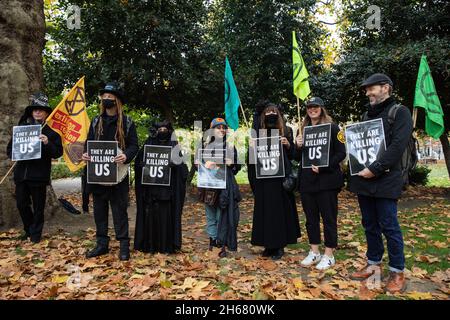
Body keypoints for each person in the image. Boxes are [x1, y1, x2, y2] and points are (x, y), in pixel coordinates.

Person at [348, 73, 413, 293]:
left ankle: (397, 271)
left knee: (389, 225)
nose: (367, 93)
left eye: (371, 88)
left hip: (387, 179)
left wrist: (374, 168)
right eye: (366, 90)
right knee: (369, 224)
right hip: (364, 181)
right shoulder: (367, 115)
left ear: (385, 88)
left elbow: (398, 146)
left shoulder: (400, 112)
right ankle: (373, 264)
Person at [82, 82, 139, 261]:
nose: (106, 99)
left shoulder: (128, 122)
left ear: (117, 100)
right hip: (98, 174)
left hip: (118, 175)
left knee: (119, 210)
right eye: (104, 96)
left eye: (110, 96)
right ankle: (102, 244)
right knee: (99, 210)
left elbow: (134, 146)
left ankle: (123, 245)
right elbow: (89, 142)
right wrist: (86, 154)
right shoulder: (96, 121)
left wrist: (126, 156)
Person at [293, 97, 346, 270]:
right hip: (307, 181)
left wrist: (325, 167)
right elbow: (296, 156)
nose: (312, 109)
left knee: (329, 218)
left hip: (327, 181)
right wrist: (297, 145)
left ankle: (329, 254)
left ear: (322, 109)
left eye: (315, 107)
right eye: (309, 107)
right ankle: (314, 251)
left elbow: (341, 152)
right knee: (311, 219)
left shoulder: (333, 128)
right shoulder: (302, 130)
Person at [6, 93, 63, 243]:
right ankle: (28, 229)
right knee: (21, 204)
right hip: (21, 175)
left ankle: (36, 235)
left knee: (39, 207)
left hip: (39, 176)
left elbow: (58, 152)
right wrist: (16, 148)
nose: (37, 112)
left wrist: (47, 143)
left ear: (46, 113)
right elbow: (9, 150)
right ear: (31, 112)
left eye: (41, 109)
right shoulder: (22, 130)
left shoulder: (52, 133)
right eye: (35, 109)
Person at [250, 103, 300, 260]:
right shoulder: (258, 133)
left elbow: (293, 156)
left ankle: (279, 246)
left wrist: (288, 145)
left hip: (280, 178)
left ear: (278, 114)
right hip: (264, 179)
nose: (271, 113)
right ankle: (267, 245)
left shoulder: (286, 131)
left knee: (279, 212)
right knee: (265, 212)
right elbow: (252, 158)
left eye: (274, 111)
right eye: (268, 111)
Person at [134, 120, 188, 254]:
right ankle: (149, 246)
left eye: (165, 129)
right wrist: (141, 166)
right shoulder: (148, 143)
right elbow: (138, 163)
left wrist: (175, 165)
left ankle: (166, 246)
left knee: (165, 218)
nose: (162, 132)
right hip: (151, 192)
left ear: (169, 131)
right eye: (159, 130)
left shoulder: (174, 146)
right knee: (150, 217)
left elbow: (183, 170)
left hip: (167, 193)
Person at [197, 118, 242, 257]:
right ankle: (212, 241)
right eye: (218, 127)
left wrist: (231, 163)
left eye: (224, 127)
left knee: (221, 216)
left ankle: (220, 243)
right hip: (208, 188)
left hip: (224, 188)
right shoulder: (203, 145)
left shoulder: (229, 146)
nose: (221, 130)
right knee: (211, 216)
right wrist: (199, 163)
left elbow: (237, 166)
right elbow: (198, 164)